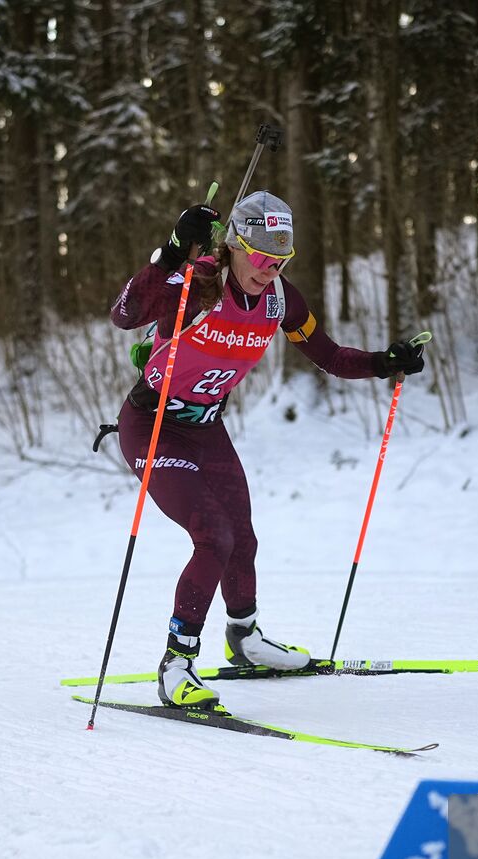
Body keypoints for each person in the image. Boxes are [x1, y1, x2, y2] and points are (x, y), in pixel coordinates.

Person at [109, 191, 424, 710]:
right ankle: (176, 665)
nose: (267, 270)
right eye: (259, 257)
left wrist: (384, 361)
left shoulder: (280, 300)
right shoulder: (197, 284)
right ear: (234, 244)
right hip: (152, 424)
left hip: (206, 428)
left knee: (243, 537)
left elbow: (329, 355)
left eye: (279, 261)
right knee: (214, 536)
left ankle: (246, 641)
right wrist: (170, 253)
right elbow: (124, 314)